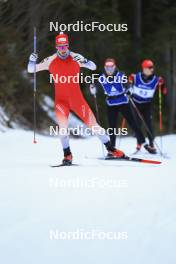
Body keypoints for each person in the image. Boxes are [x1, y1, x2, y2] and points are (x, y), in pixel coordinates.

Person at [27, 32, 125, 165]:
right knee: (62, 129)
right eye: (60, 47)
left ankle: (111, 149)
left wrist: (85, 61)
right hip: (61, 102)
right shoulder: (50, 60)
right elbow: (31, 70)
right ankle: (67, 155)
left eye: (65, 46)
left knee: (94, 125)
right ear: (56, 47)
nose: (63, 49)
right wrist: (32, 60)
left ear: (68, 46)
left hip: (78, 100)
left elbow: (93, 67)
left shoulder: (76, 57)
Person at [89, 58, 154, 153]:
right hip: (111, 103)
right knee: (112, 127)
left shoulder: (120, 75)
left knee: (134, 124)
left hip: (123, 102)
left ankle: (145, 144)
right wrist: (93, 89)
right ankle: (112, 149)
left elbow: (127, 84)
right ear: (104, 68)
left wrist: (129, 90)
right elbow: (96, 87)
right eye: (107, 68)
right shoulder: (101, 77)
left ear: (114, 67)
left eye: (111, 67)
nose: (109, 70)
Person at [128, 59, 167, 154]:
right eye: (149, 68)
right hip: (136, 103)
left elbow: (164, 92)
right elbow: (128, 86)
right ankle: (139, 144)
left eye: (152, 67)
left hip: (147, 104)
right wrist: (129, 81)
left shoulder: (156, 79)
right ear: (144, 68)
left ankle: (151, 144)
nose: (151, 69)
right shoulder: (136, 77)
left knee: (149, 125)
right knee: (137, 125)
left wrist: (162, 84)